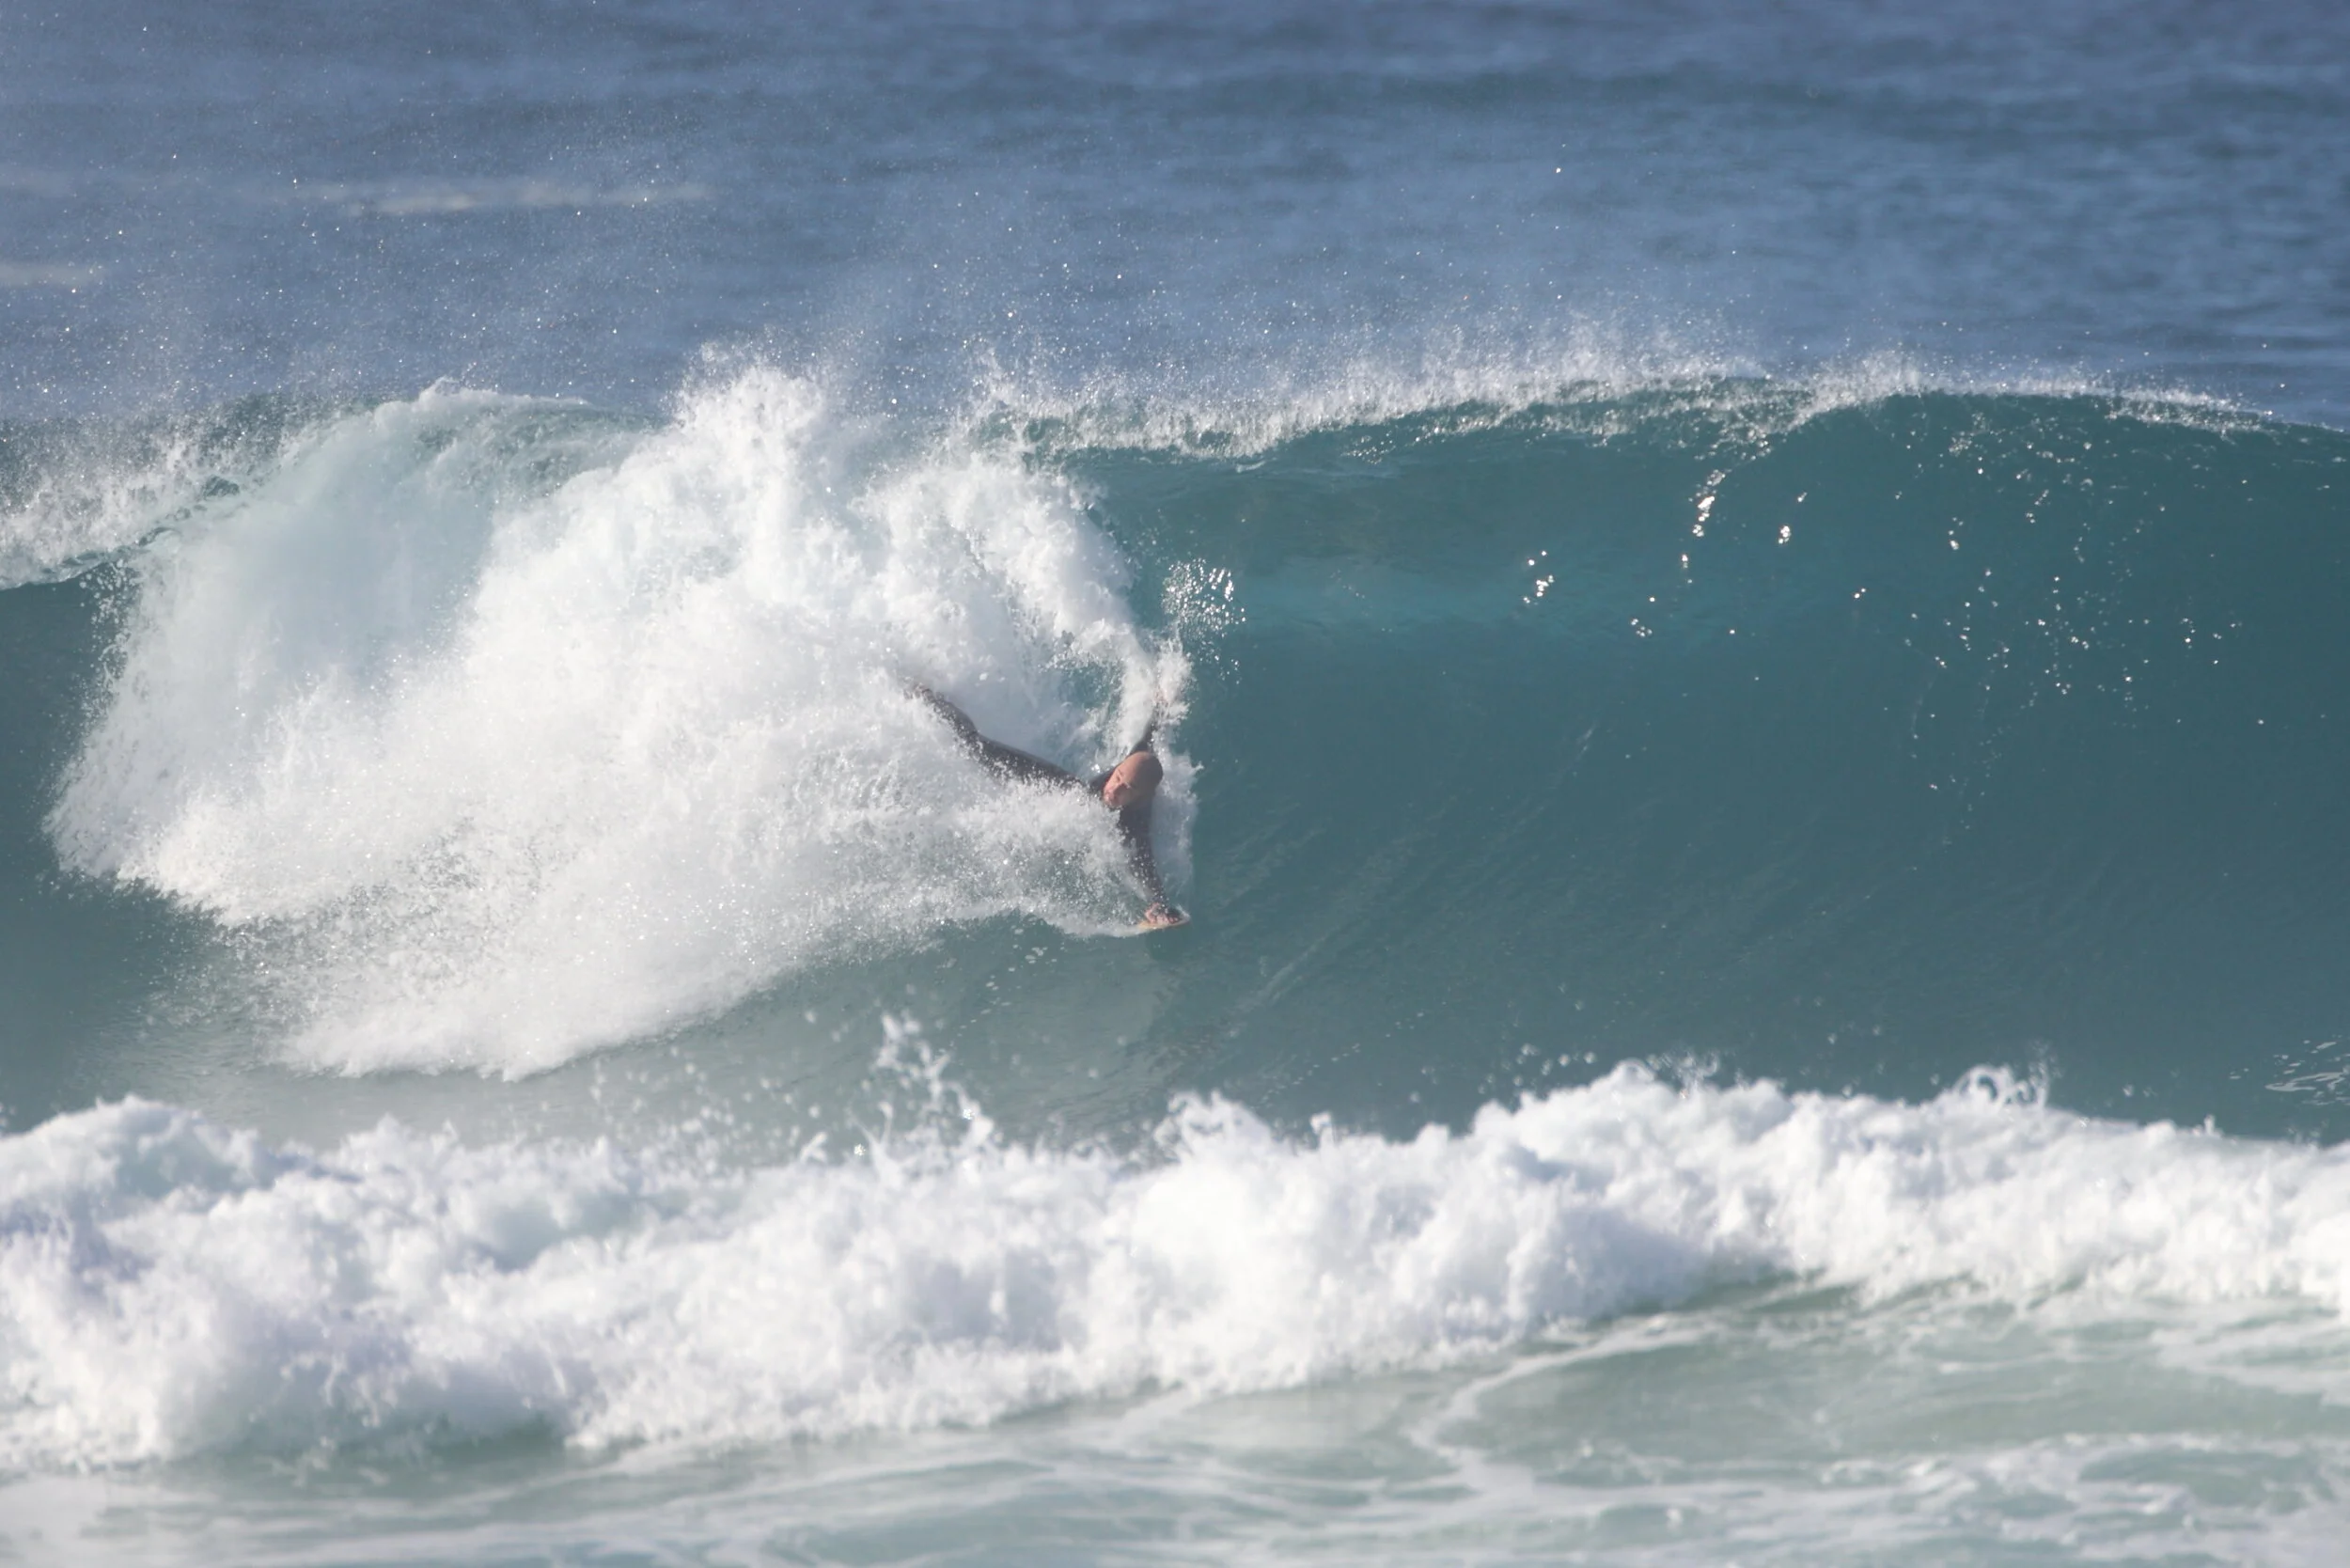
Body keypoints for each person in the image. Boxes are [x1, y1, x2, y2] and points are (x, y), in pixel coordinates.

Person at [908, 683, 1185, 929]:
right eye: (1118, 778)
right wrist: (1160, 707)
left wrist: (1159, 905)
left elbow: (1144, 864)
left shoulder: (1132, 821)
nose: (1115, 789)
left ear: (1139, 796)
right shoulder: (1135, 761)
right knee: (976, 746)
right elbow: (1147, 737)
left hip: (1086, 801)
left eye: (1128, 790)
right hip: (1070, 787)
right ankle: (929, 696)